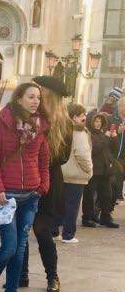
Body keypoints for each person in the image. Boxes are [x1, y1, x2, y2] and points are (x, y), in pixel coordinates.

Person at [0, 82, 50, 292]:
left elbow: (43, 158)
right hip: (6, 197)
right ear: (19, 98)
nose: (36, 101)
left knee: (20, 248)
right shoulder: (3, 123)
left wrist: (43, 185)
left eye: (38, 98)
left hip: (31, 196)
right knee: (9, 246)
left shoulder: (40, 126)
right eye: (31, 97)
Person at [19, 76, 72, 292]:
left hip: (49, 182)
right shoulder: (29, 117)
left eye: (41, 92)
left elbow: (63, 157)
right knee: (21, 230)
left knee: (41, 230)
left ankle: (52, 276)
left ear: (50, 95)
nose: (37, 96)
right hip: (25, 180)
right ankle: (21, 275)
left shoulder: (64, 123)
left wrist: (39, 156)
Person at [60, 103, 93, 243]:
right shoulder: (79, 132)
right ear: (74, 117)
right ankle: (68, 235)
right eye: (82, 115)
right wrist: (89, 170)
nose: (85, 117)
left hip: (61, 173)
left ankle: (54, 232)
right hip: (75, 175)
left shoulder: (61, 129)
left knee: (59, 205)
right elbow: (82, 154)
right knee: (72, 207)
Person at [82, 112, 118, 228]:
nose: (98, 124)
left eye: (99, 122)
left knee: (107, 194)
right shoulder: (88, 134)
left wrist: (114, 137)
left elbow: (114, 149)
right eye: (96, 121)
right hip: (94, 170)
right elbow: (95, 149)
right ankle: (87, 218)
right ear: (91, 122)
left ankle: (105, 217)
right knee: (89, 195)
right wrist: (107, 138)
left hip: (105, 171)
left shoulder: (103, 134)